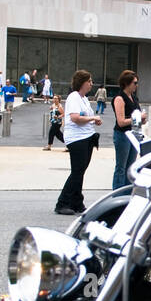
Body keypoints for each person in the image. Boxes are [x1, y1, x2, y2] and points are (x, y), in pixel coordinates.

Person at [54, 70, 101, 216]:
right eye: (89, 81)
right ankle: (62, 203)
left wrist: (92, 119)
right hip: (77, 138)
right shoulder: (74, 97)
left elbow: (84, 116)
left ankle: (76, 202)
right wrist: (93, 118)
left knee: (80, 171)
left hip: (86, 136)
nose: (91, 84)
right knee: (77, 171)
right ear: (83, 83)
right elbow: (74, 118)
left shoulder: (84, 99)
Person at [110, 70, 141, 189]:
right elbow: (121, 122)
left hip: (133, 134)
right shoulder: (119, 98)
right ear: (127, 83)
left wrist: (140, 119)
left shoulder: (134, 97)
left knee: (130, 167)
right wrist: (137, 118)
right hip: (123, 135)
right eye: (135, 83)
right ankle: (117, 194)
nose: (136, 85)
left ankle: (127, 194)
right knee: (121, 167)